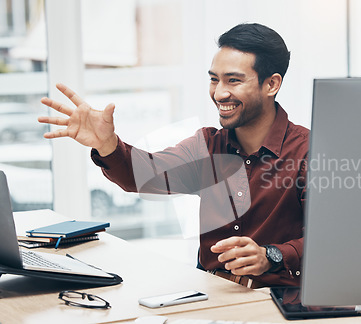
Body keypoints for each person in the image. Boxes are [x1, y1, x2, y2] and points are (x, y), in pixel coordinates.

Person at [38, 23, 309, 287]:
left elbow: (334, 241)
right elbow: (146, 176)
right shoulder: (208, 145)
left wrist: (270, 256)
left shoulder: (309, 151)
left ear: (271, 84)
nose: (219, 92)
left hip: (279, 302)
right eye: (214, 79)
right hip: (212, 295)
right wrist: (108, 145)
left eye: (234, 80)